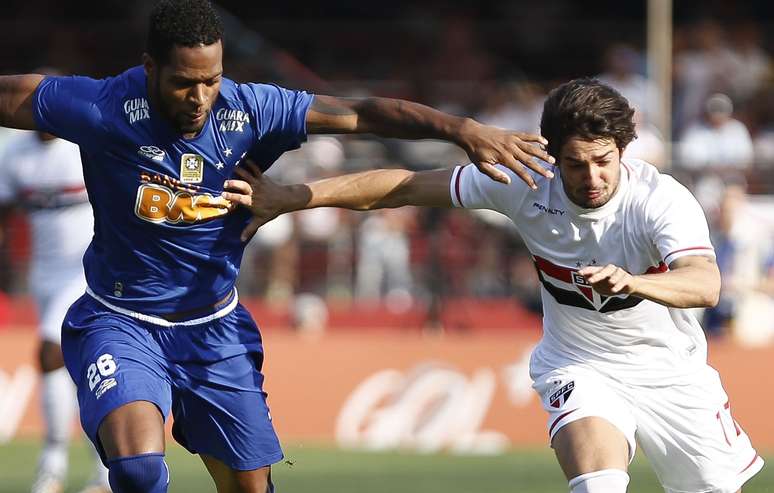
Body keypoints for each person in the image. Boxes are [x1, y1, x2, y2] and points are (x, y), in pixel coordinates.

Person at [0, 1, 553, 492]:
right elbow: (10, 95)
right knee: (137, 470)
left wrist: (463, 130)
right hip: (120, 319)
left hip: (213, 328)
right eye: (183, 83)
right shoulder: (101, 107)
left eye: (212, 80)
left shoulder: (251, 110)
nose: (200, 98)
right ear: (150, 69)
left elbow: (360, 113)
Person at [226, 78, 763, 493]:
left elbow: (705, 283)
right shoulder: (525, 180)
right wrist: (292, 197)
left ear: (623, 149)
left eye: (604, 161)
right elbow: (402, 187)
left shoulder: (660, 200)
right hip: (581, 366)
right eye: (576, 164)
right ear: (553, 154)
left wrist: (635, 282)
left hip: (671, 374)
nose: (593, 177)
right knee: (598, 485)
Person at [0, 129, 110, 493]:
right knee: (81, 370)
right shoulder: (14, 155)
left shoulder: (84, 146)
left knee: (49, 350)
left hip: (84, 269)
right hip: (42, 274)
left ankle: (52, 464)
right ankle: (105, 471)